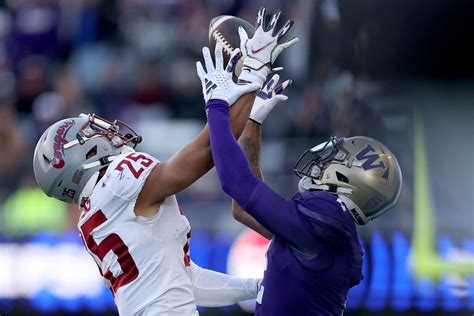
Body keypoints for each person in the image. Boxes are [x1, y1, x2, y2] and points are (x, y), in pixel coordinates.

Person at [32, 8, 298, 315]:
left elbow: (184, 281)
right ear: (82, 158)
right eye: (89, 135)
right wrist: (251, 71)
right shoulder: (117, 183)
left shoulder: (96, 211)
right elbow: (208, 151)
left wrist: (256, 287)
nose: (102, 132)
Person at [199, 13, 402, 314]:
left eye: (340, 157)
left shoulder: (326, 220)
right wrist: (253, 120)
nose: (327, 158)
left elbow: (235, 181)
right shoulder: (325, 231)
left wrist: (216, 105)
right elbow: (242, 207)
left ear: (352, 178)